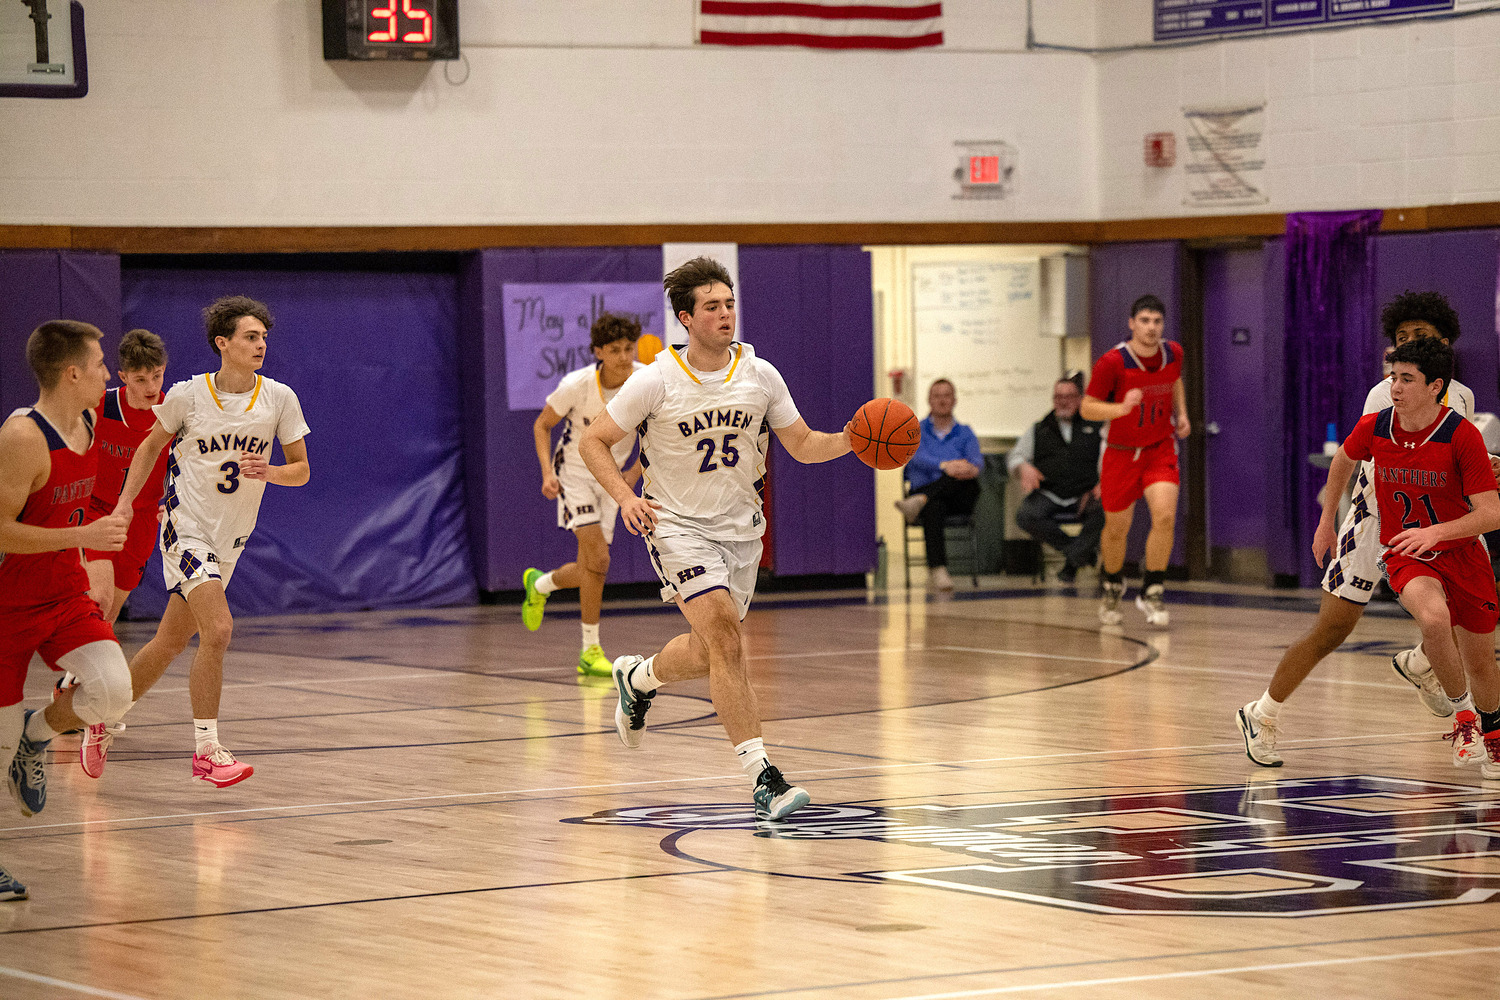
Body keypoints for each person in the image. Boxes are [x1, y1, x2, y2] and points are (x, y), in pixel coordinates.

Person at [579, 256, 852, 821]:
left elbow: (802, 445)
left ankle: (639, 676)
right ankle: (765, 780)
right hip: (675, 526)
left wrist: (853, 440)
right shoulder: (654, 379)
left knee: (709, 652)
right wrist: (627, 498)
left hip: (740, 531)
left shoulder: (761, 375)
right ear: (687, 317)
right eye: (712, 307)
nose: (725, 314)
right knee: (727, 640)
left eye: (729, 304)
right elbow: (593, 442)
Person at [1236, 291, 1493, 767]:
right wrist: (1324, 521)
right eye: (1400, 338)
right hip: (1375, 520)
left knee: (1464, 616)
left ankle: (1421, 665)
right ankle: (1262, 712)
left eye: (1418, 336)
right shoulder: (1387, 393)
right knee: (1333, 629)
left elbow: (1454, 460)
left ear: (1443, 340)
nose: (1407, 345)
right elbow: (1349, 458)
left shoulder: (1461, 395)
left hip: (1434, 521)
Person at [110, 296, 310, 788]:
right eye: (250, 336)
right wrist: (123, 504)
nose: (261, 344)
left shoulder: (280, 398)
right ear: (223, 343)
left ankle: (102, 710)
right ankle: (206, 751)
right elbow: (149, 447)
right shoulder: (187, 395)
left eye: (263, 337)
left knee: (170, 640)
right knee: (218, 629)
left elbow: (302, 470)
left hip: (231, 538)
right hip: (186, 526)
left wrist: (273, 472)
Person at [1310, 337, 1500, 778]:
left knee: (1482, 664)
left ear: (1436, 386)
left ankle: (1491, 731)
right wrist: (1325, 522)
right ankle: (1464, 720)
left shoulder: (1461, 435)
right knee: (1433, 619)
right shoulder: (1376, 426)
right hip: (1405, 555)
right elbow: (1342, 460)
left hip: (1462, 553)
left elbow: (1491, 514)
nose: (1395, 386)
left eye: (1406, 379)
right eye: (1393, 376)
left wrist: (1436, 531)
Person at [0, 321, 135, 898]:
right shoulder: (22, 437)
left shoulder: (86, 423)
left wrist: (93, 555)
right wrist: (82, 540)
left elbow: (82, 516)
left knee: (113, 691)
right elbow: (3, 531)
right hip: (8, 602)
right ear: (72, 373)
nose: (108, 374)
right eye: (101, 364)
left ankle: (38, 732)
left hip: (63, 594)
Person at [522, 312, 645, 677]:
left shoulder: (644, 382)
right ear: (598, 352)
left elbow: (656, 436)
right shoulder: (576, 385)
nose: (624, 356)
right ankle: (590, 651)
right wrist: (547, 472)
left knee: (595, 565)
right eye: (614, 349)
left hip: (612, 478)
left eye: (628, 348)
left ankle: (540, 584)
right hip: (574, 473)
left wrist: (633, 474)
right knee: (599, 557)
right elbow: (542, 425)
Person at [1081, 294, 1190, 627]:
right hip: (1121, 453)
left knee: (1165, 516)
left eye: (1157, 321)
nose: (1151, 328)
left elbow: (1174, 380)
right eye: (1144, 321)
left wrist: (1181, 414)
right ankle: (1113, 584)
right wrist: (1120, 409)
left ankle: (1153, 589)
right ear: (1131, 324)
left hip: (1159, 448)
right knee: (1117, 530)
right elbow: (1087, 407)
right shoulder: (1112, 363)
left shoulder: (1173, 352)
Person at [82, 329, 171, 624]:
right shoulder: (100, 405)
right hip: (99, 509)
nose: (151, 386)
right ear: (123, 376)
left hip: (142, 517)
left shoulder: (173, 412)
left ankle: (85, 671)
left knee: (110, 614)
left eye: (157, 376)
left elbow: (189, 465)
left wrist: (173, 499)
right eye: (141, 379)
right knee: (100, 597)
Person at [1008, 376, 1105, 584]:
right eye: (1058, 397)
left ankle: (1072, 563)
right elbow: (1015, 456)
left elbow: (1110, 458)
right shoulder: (1039, 428)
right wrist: (1023, 467)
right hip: (1050, 492)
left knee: (1107, 509)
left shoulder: (1096, 426)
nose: (1063, 401)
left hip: (1085, 493)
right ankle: (1081, 555)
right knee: (1026, 515)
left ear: (1080, 399)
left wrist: (1103, 482)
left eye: (1069, 396)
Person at [892, 378, 983, 590]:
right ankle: (938, 570)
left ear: (955, 400)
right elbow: (914, 457)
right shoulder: (915, 429)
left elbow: (977, 463)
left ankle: (919, 502)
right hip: (928, 493)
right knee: (935, 506)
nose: (942, 400)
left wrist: (966, 469)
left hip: (959, 496)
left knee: (965, 481)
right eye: (937, 396)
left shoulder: (965, 432)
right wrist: (944, 465)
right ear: (929, 400)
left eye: (947, 395)